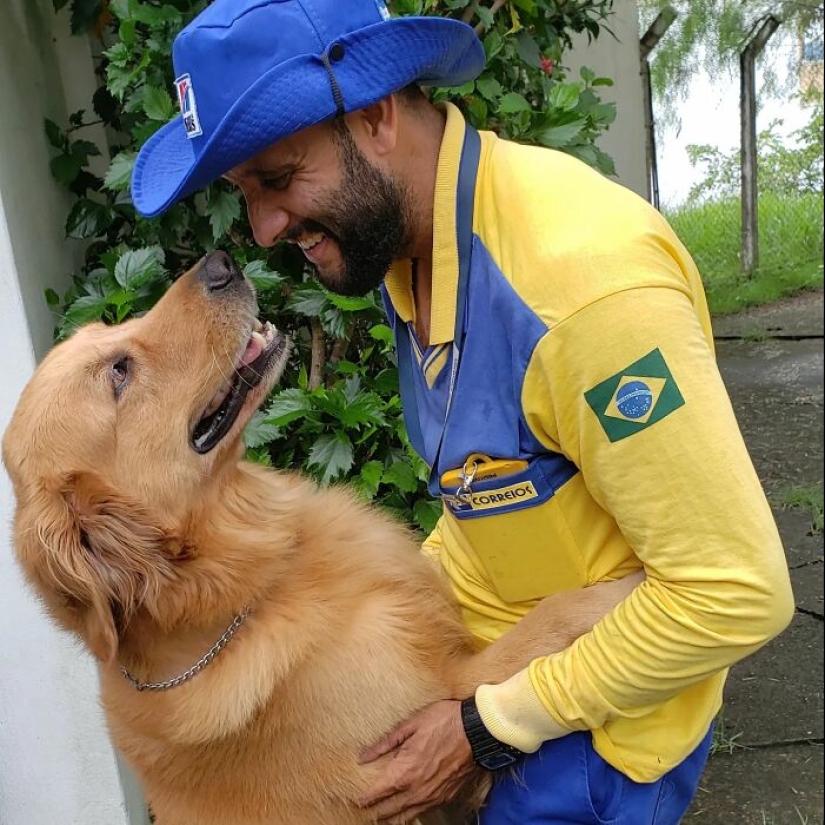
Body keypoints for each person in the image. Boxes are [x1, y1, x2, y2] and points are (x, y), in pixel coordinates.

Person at [132, 1, 795, 822]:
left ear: (373, 113)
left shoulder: (582, 293)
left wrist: (486, 725)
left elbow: (734, 592)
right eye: (246, 191)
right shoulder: (414, 251)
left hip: (594, 738)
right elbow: (488, 486)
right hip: (490, 671)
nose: (264, 228)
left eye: (277, 177)